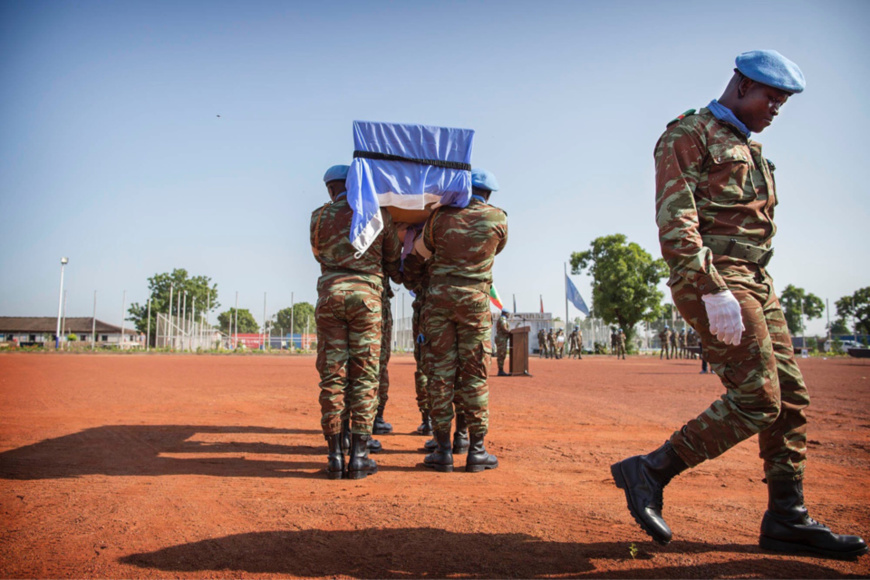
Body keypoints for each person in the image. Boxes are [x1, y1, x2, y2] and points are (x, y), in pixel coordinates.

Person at [611, 50, 867, 558]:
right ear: (743, 84)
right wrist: (711, 287)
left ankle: (785, 518)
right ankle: (652, 469)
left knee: (789, 399)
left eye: (784, 101)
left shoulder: (749, 148)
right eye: (771, 96)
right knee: (757, 398)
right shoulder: (690, 134)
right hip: (715, 278)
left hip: (756, 281)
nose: (776, 108)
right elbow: (676, 222)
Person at [311, 164, 402, 480]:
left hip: (330, 295)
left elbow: (318, 254)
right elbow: (392, 258)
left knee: (332, 375)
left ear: (330, 189)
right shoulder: (377, 215)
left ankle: (335, 454)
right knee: (365, 375)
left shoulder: (318, 217)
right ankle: (360, 456)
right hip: (367, 299)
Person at [418, 168, 508, 473]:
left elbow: (424, 249)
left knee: (440, 374)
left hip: (440, 301)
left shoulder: (439, 218)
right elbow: (498, 247)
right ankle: (476, 450)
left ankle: (442, 450)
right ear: (489, 195)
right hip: (475, 302)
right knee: (475, 375)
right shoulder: (497, 219)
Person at [373, 284, 394, 435]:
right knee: (376, 364)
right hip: (374, 299)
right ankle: (375, 419)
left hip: (333, 290)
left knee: (339, 369)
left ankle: (344, 434)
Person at [495, 310, 511, 376]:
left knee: (502, 354)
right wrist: (510, 332)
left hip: (502, 339)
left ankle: (501, 370)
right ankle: (500, 371)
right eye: (508, 314)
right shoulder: (502, 319)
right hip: (501, 339)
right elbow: (504, 328)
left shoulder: (502, 319)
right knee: (501, 354)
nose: (508, 315)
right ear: (505, 313)